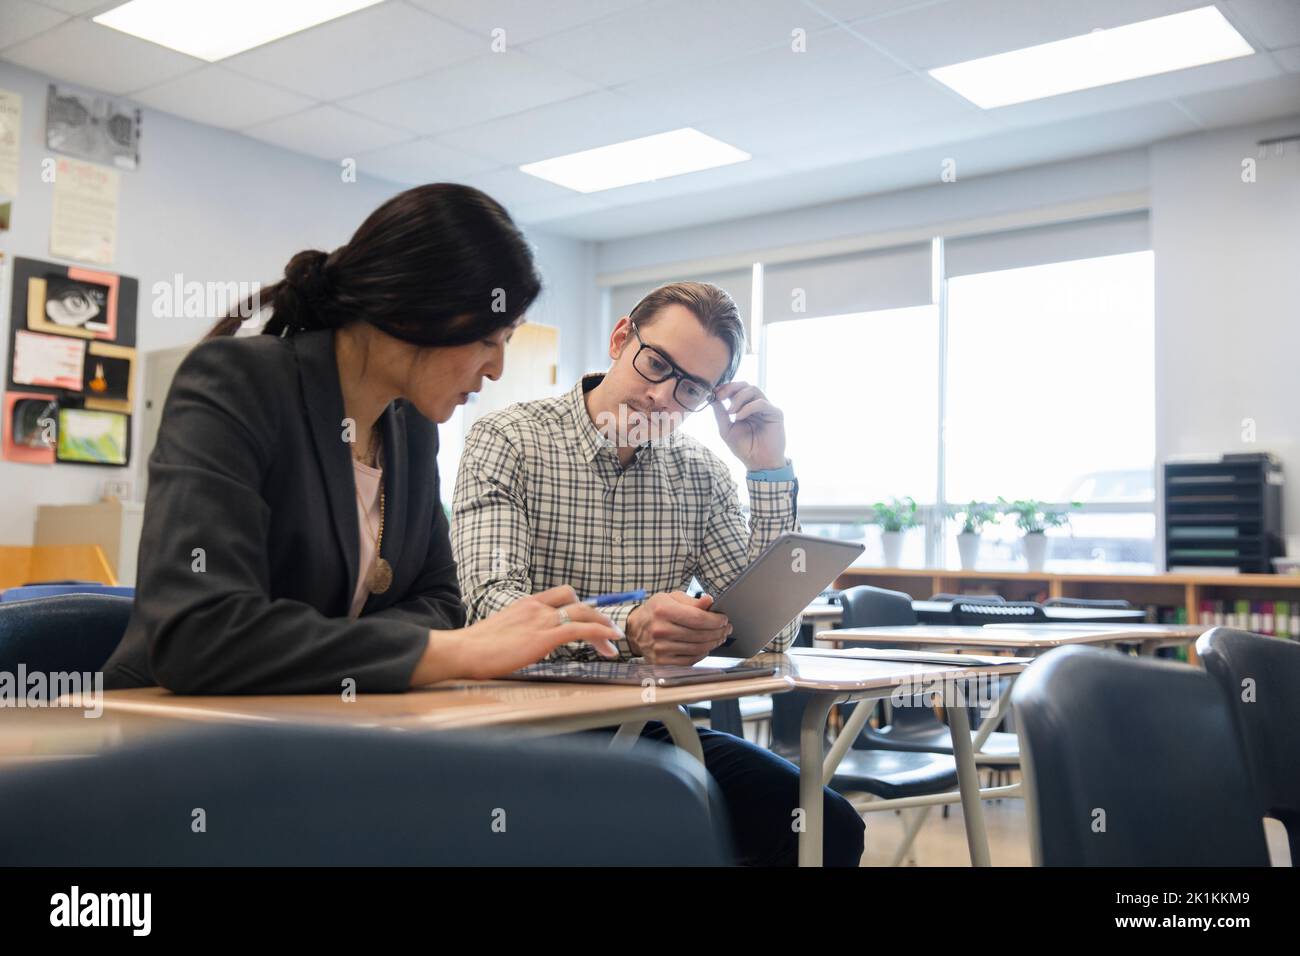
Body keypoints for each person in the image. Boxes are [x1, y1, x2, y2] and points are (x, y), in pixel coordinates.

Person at [102, 184, 619, 694]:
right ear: (410, 311)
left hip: (325, 728)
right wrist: (456, 651)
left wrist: (348, 648)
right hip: (167, 738)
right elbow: (201, 632)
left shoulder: (412, 427)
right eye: (489, 339)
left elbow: (441, 601)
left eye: (507, 341)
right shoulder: (238, 384)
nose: (497, 369)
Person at [452, 281, 865, 866]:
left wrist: (767, 472)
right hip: (520, 727)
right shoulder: (508, 440)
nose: (662, 397)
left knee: (824, 827)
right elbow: (491, 608)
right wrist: (627, 628)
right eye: (656, 364)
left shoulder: (701, 474)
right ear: (622, 338)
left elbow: (770, 637)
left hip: (647, 729)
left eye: (691, 387)